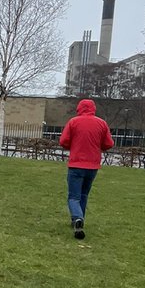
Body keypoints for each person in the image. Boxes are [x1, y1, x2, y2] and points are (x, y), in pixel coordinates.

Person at [59, 99, 114, 239]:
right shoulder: (102, 123)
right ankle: (79, 220)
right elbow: (109, 143)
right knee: (84, 195)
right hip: (92, 166)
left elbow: (63, 141)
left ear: (79, 108)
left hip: (76, 164)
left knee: (73, 196)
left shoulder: (73, 122)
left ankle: (77, 218)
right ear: (93, 109)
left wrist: (73, 146)